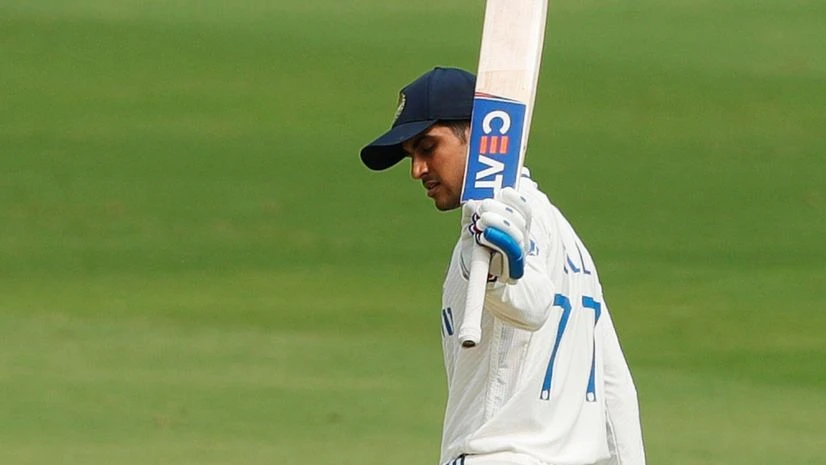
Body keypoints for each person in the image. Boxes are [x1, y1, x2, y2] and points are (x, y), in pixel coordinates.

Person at [359, 67, 645, 465]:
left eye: (428, 147)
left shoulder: (494, 224)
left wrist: (497, 276)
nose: (417, 170)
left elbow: (530, 303)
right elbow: (614, 388)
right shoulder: (566, 239)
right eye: (411, 156)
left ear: (479, 138)